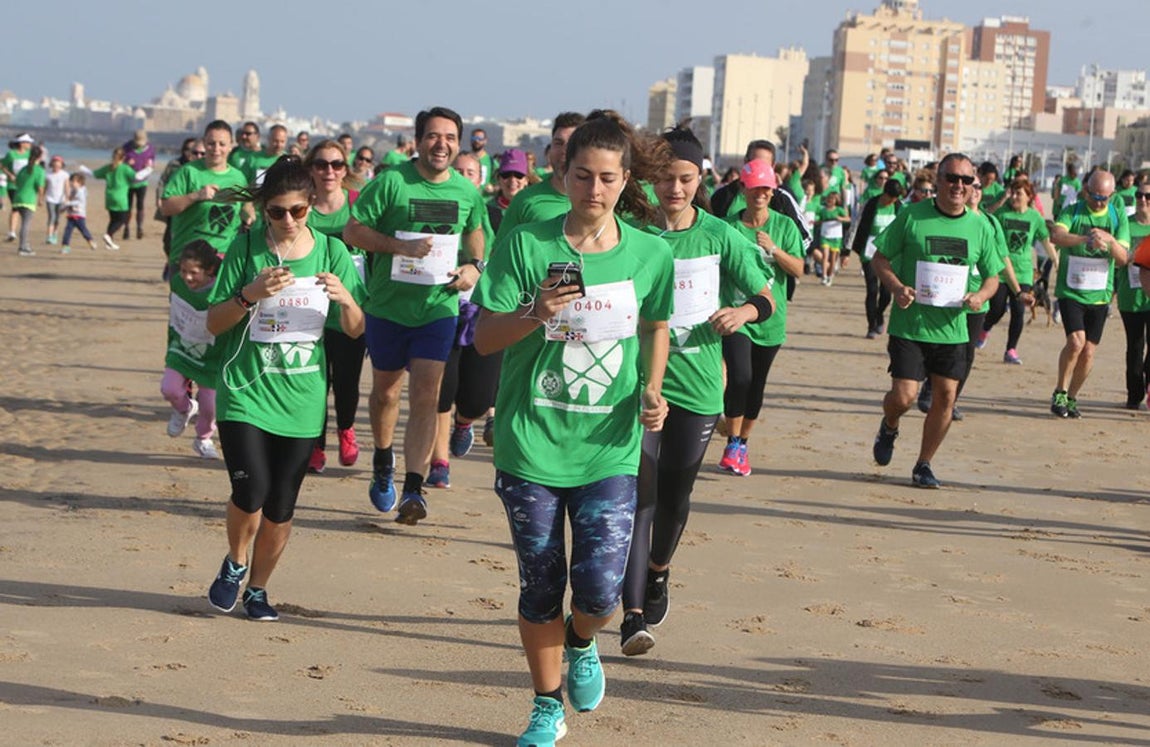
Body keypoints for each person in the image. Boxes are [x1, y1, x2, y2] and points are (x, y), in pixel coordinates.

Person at [471, 109, 674, 747]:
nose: (594, 189)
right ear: (562, 174)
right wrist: (535, 312)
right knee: (540, 582)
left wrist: (653, 389)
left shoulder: (650, 252)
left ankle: (583, 641)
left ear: (625, 180)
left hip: (608, 447)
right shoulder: (527, 242)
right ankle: (544, 703)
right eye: (582, 175)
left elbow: (657, 325)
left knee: (598, 589)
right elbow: (482, 338)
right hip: (530, 441)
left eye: (608, 178)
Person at [620, 126, 773, 656]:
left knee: (674, 495)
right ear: (651, 180)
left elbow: (765, 295)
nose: (675, 189)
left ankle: (659, 571)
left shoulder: (719, 235)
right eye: (665, 179)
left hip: (701, 385)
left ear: (701, 177)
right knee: (640, 495)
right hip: (638, 386)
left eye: (685, 179)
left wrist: (744, 312)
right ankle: (633, 613)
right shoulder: (631, 232)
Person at [204, 156, 366, 622]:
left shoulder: (332, 253)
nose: (288, 221)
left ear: (312, 204)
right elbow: (214, 323)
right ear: (263, 210)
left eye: (297, 210)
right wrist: (248, 295)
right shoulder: (247, 247)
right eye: (277, 212)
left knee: (280, 505)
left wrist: (347, 298)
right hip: (245, 392)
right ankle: (236, 561)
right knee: (250, 491)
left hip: (302, 398)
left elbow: (355, 330)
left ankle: (258, 589)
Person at [344, 106, 486, 525]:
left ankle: (413, 486)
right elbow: (353, 230)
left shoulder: (466, 191)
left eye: (449, 138)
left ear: (458, 143)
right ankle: (383, 460)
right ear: (419, 140)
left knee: (426, 394)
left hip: (437, 308)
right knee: (387, 393)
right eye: (433, 136)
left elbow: (476, 229)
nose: (441, 144)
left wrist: (474, 266)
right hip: (388, 307)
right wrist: (398, 247)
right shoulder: (391, 182)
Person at [870, 153, 1003, 488]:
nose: (958, 186)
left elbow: (993, 277)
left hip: (954, 328)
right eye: (951, 178)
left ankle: (923, 464)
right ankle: (889, 424)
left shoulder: (979, 225)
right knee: (904, 397)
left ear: (974, 185)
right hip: (911, 324)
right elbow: (880, 257)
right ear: (938, 179)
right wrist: (897, 287)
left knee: (945, 397)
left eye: (965, 180)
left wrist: (981, 297)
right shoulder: (913, 216)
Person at [718, 159, 804, 476]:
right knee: (739, 376)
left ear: (773, 191)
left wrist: (775, 249)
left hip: (771, 319)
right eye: (754, 188)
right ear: (743, 189)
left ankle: (741, 442)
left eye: (765, 189)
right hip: (737, 316)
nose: (760, 194)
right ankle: (731, 443)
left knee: (756, 384)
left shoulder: (784, 225)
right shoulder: (727, 226)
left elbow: (798, 270)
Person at [303, 140, 367, 473]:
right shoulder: (299, 209)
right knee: (315, 382)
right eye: (321, 164)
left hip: (351, 310)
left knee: (346, 381)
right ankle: (315, 443)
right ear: (310, 169)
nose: (329, 171)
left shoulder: (358, 207)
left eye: (336, 164)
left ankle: (346, 428)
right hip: (310, 312)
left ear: (346, 170)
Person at [1049, 168, 1130, 418]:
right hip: (1071, 291)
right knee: (1075, 341)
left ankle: (1072, 397)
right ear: (1086, 191)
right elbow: (1057, 235)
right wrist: (1084, 239)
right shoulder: (1073, 210)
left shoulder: (1117, 217)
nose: (1098, 202)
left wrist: (1110, 241)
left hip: (1100, 295)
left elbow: (1123, 259)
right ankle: (1060, 391)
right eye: (1094, 196)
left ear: (1112, 195)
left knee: (1089, 351)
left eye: (1103, 198)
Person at [161, 120, 250, 270]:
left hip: (222, 259)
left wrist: (249, 213)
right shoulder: (188, 172)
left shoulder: (238, 178)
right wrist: (195, 196)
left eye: (222, 144)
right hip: (188, 259)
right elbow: (166, 207)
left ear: (231, 146)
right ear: (204, 143)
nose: (216, 149)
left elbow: (246, 207)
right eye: (211, 143)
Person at [163, 240, 224, 458]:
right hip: (182, 347)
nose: (187, 277)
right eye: (183, 271)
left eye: (194, 272)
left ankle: (203, 439)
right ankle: (184, 409)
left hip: (212, 356)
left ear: (209, 270)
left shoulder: (221, 287)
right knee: (169, 389)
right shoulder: (178, 282)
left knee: (210, 407)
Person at [978, 179, 1049, 363]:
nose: (1015, 197)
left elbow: (1045, 238)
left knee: (1018, 310)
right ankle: (984, 329)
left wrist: (1055, 258)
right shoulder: (1002, 212)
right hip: (1001, 270)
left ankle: (1011, 350)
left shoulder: (1034, 217)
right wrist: (1002, 200)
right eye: (1013, 193)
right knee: (997, 308)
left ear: (1029, 197)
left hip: (1023, 271)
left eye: (1019, 194)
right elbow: (985, 215)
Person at [496, 112, 587, 240]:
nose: (564, 151)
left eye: (572, 144)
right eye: (558, 143)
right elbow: (501, 254)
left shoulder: (599, 201)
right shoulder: (525, 201)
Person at [850, 176, 905, 338]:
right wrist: (852, 250)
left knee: (887, 293)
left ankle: (879, 314)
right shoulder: (872, 204)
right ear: (884, 193)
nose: (891, 201)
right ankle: (871, 325)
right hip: (869, 252)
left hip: (890, 255)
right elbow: (859, 226)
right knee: (872, 289)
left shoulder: (898, 206)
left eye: (895, 199)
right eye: (890, 198)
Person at [1117, 184, 1150, 408]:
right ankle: (1134, 394)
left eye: (1148, 196)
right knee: (1135, 345)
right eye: (1139, 195)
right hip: (1131, 296)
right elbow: (1119, 256)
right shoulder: (1125, 226)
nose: (1143, 199)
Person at [157, 138, 205, 263]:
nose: (198, 156)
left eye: (202, 153)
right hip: (175, 207)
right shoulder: (176, 165)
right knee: (168, 240)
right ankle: (171, 261)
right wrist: (159, 198)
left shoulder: (206, 171)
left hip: (196, 213)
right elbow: (162, 182)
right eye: (193, 152)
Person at [91, 147, 137, 251]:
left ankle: (109, 243)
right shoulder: (125, 168)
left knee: (113, 220)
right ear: (124, 157)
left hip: (109, 197)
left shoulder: (109, 167)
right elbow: (136, 177)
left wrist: (83, 169)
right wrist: (148, 169)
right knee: (122, 219)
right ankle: (108, 235)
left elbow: (94, 174)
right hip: (120, 198)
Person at [11, 145, 45, 257]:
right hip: (28, 200)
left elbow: (17, 182)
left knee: (24, 223)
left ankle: (25, 244)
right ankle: (23, 247)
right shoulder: (39, 170)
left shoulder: (24, 169)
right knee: (26, 224)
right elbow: (40, 187)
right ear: (40, 156)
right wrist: (41, 199)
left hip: (17, 198)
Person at [122, 129, 156, 240]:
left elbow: (152, 162)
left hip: (143, 181)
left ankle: (139, 227)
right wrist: (127, 163)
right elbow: (119, 163)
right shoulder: (126, 147)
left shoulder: (150, 149)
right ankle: (126, 228)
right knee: (128, 206)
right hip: (128, 182)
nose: (139, 145)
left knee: (140, 205)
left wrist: (150, 165)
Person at [2, 133, 35, 241]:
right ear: (22, 143)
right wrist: (9, 174)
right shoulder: (11, 154)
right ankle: (12, 232)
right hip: (13, 185)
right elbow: (1, 165)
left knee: (25, 209)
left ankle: (22, 230)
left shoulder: (30, 154)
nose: (30, 144)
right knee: (15, 208)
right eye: (28, 142)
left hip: (26, 186)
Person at [816, 191, 849, 285]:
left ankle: (830, 276)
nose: (830, 201)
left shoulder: (839, 210)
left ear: (836, 200)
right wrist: (814, 222)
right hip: (825, 235)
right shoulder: (823, 210)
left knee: (833, 257)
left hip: (836, 236)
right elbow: (820, 220)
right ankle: (824, 276)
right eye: (828, 199)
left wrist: (841, 219)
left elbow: (848, 219)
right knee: (825, 255)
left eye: (832, 199)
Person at [60, 172, 98, 253]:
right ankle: (65, 246)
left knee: (83, 230)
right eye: (71, 181)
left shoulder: (81, 191)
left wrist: (68, 203)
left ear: (80, 183)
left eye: (74, 181)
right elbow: (69, 201)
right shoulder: (72, 191)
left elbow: (79, 202)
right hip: (71, 215)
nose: (71, 183)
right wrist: (63, 208)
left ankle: (91, 241)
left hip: (79, 215)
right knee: (67, 231)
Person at [44, 156, 69, 246]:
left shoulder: (65, 175)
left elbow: (66, 187)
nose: (56, 167)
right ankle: (49, 236)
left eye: (59, 165)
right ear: (52, 165)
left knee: (57, 218)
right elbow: (45, 187)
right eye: (55, 165)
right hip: (50, 199)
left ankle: (55, 234)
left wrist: (67, 198)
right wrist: (41, 197)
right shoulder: (48, 175)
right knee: (51, 217)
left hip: (60, 200)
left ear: (62, 165)